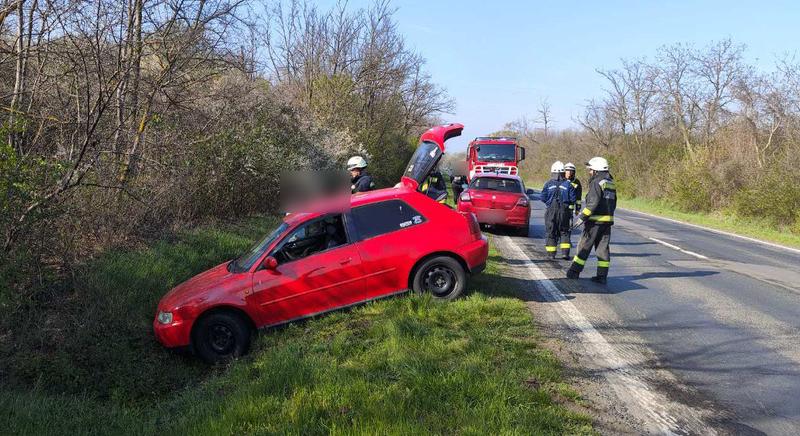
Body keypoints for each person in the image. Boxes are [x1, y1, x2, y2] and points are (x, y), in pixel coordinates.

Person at [566, 157, 616, 284]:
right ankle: (602, 276)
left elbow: (592, 203)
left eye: (591, 170)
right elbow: (614, 202)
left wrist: (582, 218)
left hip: (594, 222)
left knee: (584, 246)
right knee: (602, 249)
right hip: (607, 222)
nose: (589, 172)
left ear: (596, 171)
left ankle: (574, 272)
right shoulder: (610, 182)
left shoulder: (596, 182)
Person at [541, 161, 575, 259]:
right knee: (564, 232)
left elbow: (543, 197)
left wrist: (549, 203)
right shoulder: (568, 184)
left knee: (551, 231)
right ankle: (565, 254)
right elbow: (573, 199)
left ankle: (551, 255)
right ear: (563, 172)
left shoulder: (548, 184)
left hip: (551, 211)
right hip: (564, 212)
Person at [561, 162, 583, 259]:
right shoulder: (561, 180)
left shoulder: (576, 182)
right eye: (567, 171)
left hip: (569, 210)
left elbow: (578, 197)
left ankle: (565, 248)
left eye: (571, 171)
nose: (569, 173)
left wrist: (577, 208)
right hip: (560, 208)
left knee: (567, 229)